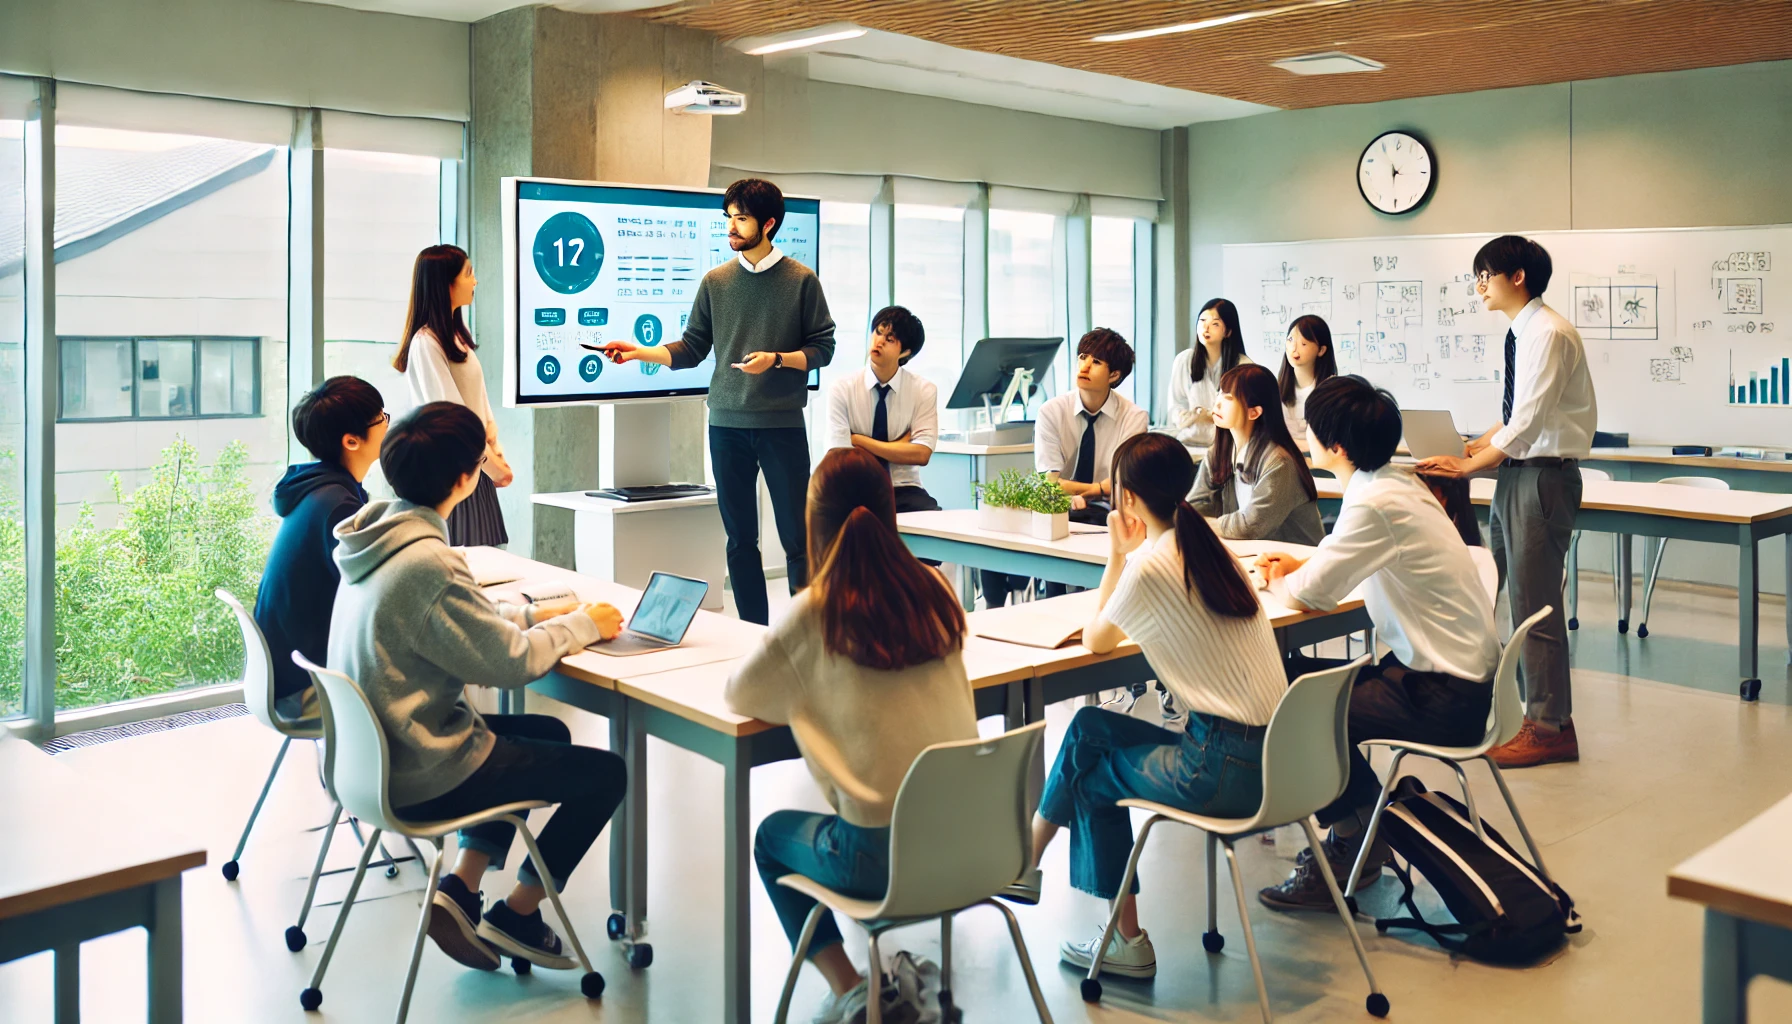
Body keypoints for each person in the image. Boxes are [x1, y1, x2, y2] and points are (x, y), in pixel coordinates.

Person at [328, 401, 630, 972]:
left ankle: (462, 890)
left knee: (544, 730)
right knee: (606, 773)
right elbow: (512, 664)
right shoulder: (429, 563)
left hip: (373, 761)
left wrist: (531, 618)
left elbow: (458, 628)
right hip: (422, 770)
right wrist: (585, 624)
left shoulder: (374, 543)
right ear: (466, 479)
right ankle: (517, 913)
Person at [1003, 432, 1286, 980]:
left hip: (1221, 768)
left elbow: (1098, 640)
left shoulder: (1151, 564)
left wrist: (1115, 557)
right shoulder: (1204, 544)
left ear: (1126, 498)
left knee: (1092, 776)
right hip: (1274, 758)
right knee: (1088, 727)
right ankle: (1024, 860)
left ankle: (1125, 940)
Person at [727, 447, 976, 1023]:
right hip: (976, 846)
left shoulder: (814, 611)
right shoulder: (935, 590)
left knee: (770, 839)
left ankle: (850, 988)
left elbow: (742, 696)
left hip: (881, 863)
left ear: (813, 523)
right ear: (890, 512)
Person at [1253, 376, 1499, 911]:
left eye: (1312, 432)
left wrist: (1279, 576)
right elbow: (1346, 558)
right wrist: (1305, 564)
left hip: (1443, 697)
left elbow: (1313, 594)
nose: (1305, 439)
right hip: (1456, 682)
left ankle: (1350, 847)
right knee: (1294, 680)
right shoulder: (1393, 484)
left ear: (1336, 448)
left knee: (1298, 707)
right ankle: (1366, 832)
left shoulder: (1374, 503)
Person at [606, 179, 836, 626]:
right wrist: (639, 352)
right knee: (739, 540)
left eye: (742, 218)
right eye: (728, 217)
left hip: (781, 426)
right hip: (726, 426)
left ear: (768, 224)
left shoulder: (801, 281)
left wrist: (776, 360)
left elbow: (822, 348)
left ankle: (810, 637)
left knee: (796, 538)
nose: (731, 226)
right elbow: (692, 347)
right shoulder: (716, 281)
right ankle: (754, 635)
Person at [1417, 235, 1596, 768]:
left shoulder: (1549, 334)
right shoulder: (1527, 332)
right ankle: (1531, 715)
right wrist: (1477, 443)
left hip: (1539, 478)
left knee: (1535, 608)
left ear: (1517, 277)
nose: (1479, 287)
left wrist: (1470, 465)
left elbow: (1531, 421)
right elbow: (1518, 413)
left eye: (1485, 276)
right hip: (1519, 474)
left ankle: (1549, 727)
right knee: (1513, 596)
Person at [981, 328, 1147, 607]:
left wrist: (1092, 492)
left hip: (1107, 513)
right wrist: (1097, 488)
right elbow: (1050, 483)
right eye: (1082, 357)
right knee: (995, 545)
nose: (1084, 366)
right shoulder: (1051, 411)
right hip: (1056, 507)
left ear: (1114, 375)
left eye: (1096, 362)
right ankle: (1000, 610)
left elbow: (1121, 485)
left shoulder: (1133, 417)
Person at [254, 375, 388, 721]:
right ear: (351, 441)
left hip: (288, 676)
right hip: (307, 688)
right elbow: (376, 595)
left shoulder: (317, 491)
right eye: (381, 418)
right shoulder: (337, 507)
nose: (389, 424)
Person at [393, 244, 514, 547]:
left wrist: (495, 455)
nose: (475, 281)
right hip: (454, 472)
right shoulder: (426, 342)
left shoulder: (457, 337)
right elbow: (451, 417)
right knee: (468, 563)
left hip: (475, 467)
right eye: (468, 274)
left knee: (487, 561)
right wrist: (491, 464)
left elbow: (480, 405)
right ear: (445, 283)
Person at [1189, 363, 1324, 545]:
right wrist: (1193, 519)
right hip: (1253, 552)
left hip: (1295, 560)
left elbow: (1251, 525)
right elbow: (1197, 503)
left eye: (1228, 398)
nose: (1217, 403)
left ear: (1254, 412)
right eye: (1219, 393)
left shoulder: (1279, 462)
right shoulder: (1220, 452)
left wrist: (1201, 524)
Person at [824, 305, 941, 514]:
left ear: (905, 352)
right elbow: (840, 457)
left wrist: (858, 440)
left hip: (904, 489)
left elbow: (922, 454)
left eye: (890, 340)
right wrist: (899, 446)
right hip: (855, 487)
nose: (879, 342)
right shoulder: (842, 388)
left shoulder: (923, 391)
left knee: (932, 518)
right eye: (878, 332)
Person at [1167, 298, 1252, 447]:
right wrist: (1192, 415)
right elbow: (1176, 405)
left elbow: (1244, 414)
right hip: (1189, 443)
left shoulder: (1243, 366)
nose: (1205, 328)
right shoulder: (1184, 360)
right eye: (1202, 321)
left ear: (1228, 331)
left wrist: (1210, 415)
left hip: (1227, 447)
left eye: (1215, 324)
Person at [1277, 314, 1338, 443]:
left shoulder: (1331, 391)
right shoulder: (1277, 387)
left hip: (1318, 459)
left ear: (1321, 350)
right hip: (1285, 456)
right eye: (1290, 339)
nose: (1294, 348)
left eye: (1303, 343)